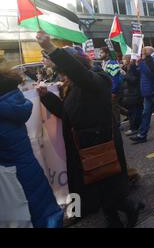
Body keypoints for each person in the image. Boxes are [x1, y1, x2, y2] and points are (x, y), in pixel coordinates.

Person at [35, 32, 144, 228]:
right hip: (84, 147)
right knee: (99, 188)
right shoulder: (74, 87)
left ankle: (129, 208)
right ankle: (114, 218)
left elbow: (80, 74)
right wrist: (46, 97)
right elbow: (66, 113)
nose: (63, 76)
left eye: (65, 71)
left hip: (101, 146)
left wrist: (52, 48)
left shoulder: (98, 80)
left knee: (108, 187)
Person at [0, 69, 63, 228]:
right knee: (44, 208)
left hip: (12, 178)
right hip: (28, 167)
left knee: (29, 212)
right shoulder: (15, 101)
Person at [130, 46, 154, 144]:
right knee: (146, 114)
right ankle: (142, 135)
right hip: (147, 91)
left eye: (143, 53)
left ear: (147, 53)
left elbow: (150, 74)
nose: (141, 55)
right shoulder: (143, 61)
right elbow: (137, 73)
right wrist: (133, 65)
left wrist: (140, 63)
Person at [119, 55, 143, 137]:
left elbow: (134, 80)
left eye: (124, 59)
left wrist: (124, 75)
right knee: (133, 112)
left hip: (134, 94)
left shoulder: (133, 68)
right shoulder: (127, 68)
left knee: (134, 112)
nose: (122, 61)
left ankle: (134, 128)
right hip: (130, 94)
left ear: (129, 60)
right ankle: (137, 126)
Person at [99, 47, 122, 125]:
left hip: (112, 90)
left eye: (102, 52)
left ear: (107, 54)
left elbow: (114, 78)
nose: (100, 54)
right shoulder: (103, 63)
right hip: (107, 90)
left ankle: (118, 124)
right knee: (114, 106)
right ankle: (130, 114)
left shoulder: (112, 63)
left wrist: (113, 91)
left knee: (114, 108)